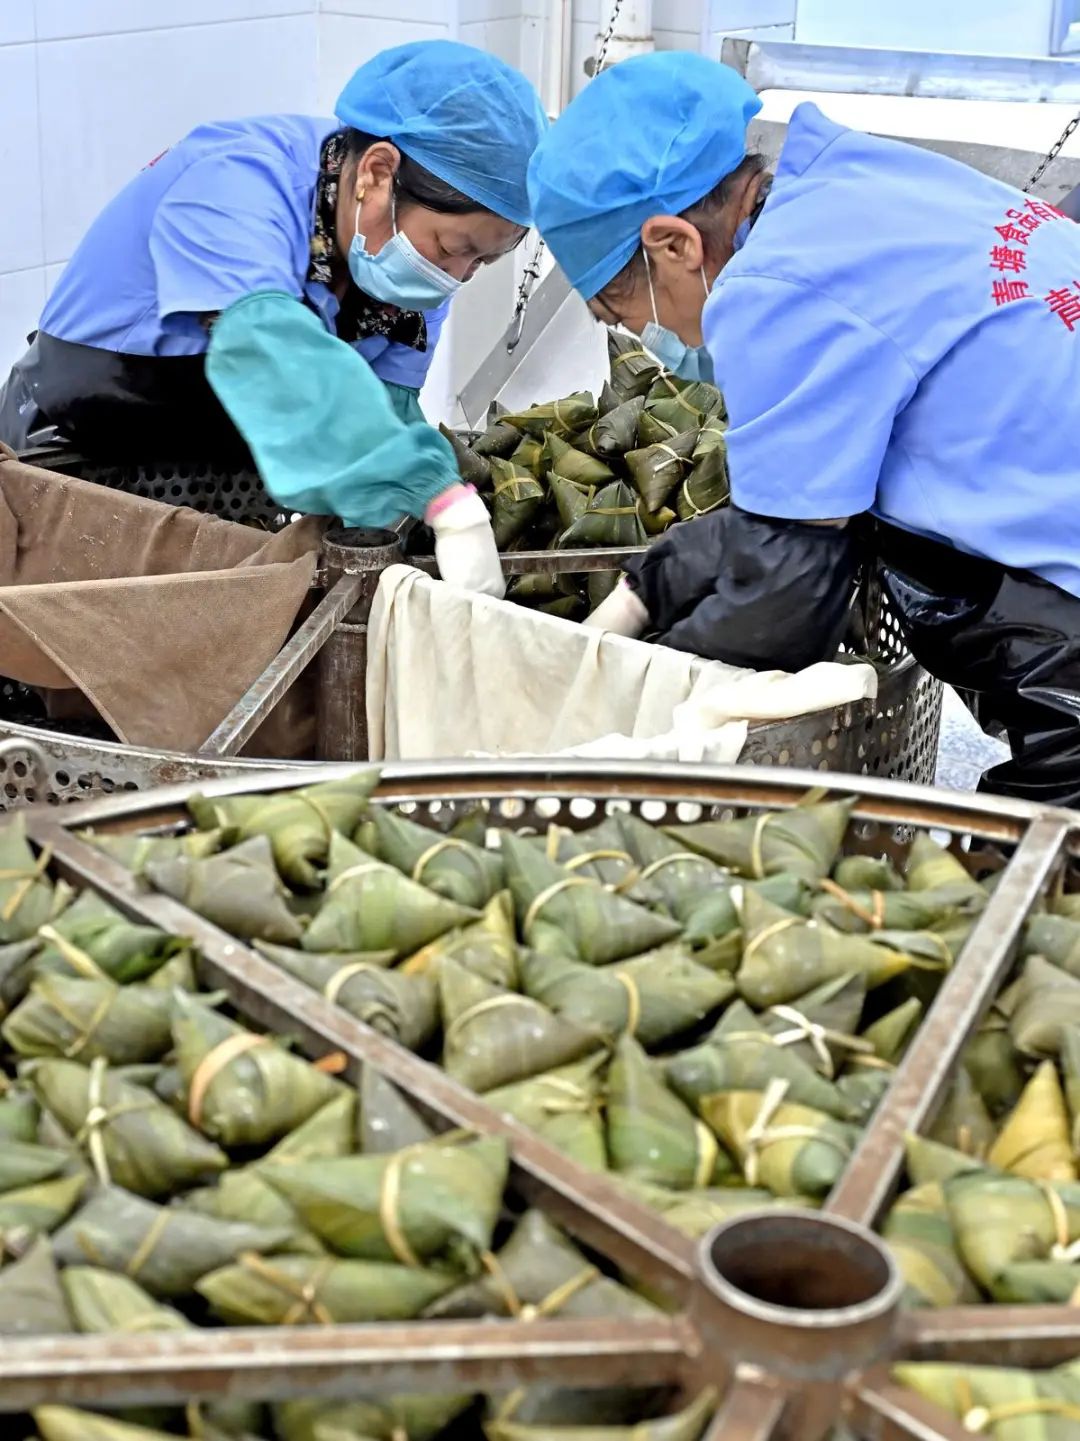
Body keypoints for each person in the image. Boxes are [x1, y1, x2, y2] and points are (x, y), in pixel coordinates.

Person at [527, 50, 1080, 804]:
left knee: (1039, 857)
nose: (642, 340)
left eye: (621, 313)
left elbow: (783, 602)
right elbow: (802, 516)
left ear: (675, 245)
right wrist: (656, 580)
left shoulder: (772, 288)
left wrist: (632, 712)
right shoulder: (847, 185)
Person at [0, 40, 549, 596]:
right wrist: (440, 497)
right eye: (454, 248)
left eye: (482, 260)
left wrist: (405, 531)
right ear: (378, 172)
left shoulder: (415, 271)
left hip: (228, 483)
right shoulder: (235, 183)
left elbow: (385, 410)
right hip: (79, 456)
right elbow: (265, 348)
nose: (458, 276)